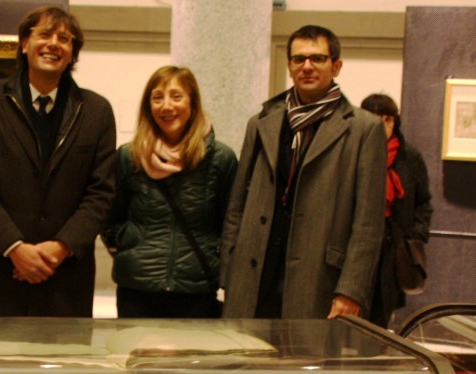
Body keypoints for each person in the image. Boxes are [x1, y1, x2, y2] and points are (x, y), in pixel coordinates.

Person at [0, 5, 116, 317]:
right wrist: (15, 249)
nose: (53, 44)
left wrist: (60, 248)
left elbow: (101, 193)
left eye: (64, 39)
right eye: (44, 34)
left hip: (66, 276)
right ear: (24, 43)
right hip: (0, 272)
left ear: (72, 53)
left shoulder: (96, 111)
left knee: (63, 351)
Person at [220, 25, 386, 320]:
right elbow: (237, 206)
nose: (307, 66)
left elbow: (368, 224)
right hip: (254, 275)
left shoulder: (364, 129)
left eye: (317, 58)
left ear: (336, 66)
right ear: (289, 65)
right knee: (244, 350)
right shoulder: (262, 122)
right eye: (298, 59)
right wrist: (229, 271)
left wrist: (351, 290)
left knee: (305, 350)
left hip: (320, 280)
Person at [103, 66, 237, 318]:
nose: (166, 106)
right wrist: (128, 243)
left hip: (196, 289)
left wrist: (216, 257)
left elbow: (230, 224)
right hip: (137, 288)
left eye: (176, 96)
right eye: (157, 97)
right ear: (148, 106)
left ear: (192, 103)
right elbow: (110, 216)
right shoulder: (129, 156)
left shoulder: (220, 159)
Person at [360, 93, 433, 329]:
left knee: (382, 311)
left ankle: (374, 351)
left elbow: (423, 202)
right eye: (375, 119)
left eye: (388, 119)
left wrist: (415, 236)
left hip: (393, 247)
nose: (383, 125)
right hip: (359, 244)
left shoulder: (409, 157)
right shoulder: (354, 153)